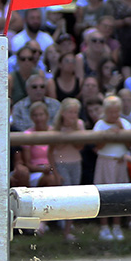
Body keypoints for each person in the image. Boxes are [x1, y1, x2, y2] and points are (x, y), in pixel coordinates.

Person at [93, 95, 131, 240]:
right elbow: (97, 146)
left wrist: (121, 131)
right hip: (105, 162)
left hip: (120, 163)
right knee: (104, 195)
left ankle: (117, 227)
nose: (113, 115)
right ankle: (104, 227)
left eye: (116, 112)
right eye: (110, 112)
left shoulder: (125, 123)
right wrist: (108, 135)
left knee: (119, 195)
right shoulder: (100, 125)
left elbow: (130, 145)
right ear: (105, 111)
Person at [49, 97, 86, 241]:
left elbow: (80, 147)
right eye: (70, 112)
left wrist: (74, 132)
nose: (73, 115)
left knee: (75, 195)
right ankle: (64, 228)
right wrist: (55, 172)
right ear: (63, 113)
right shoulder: (56, 128)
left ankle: (68, 229)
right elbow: (50, 152)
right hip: (61, 163)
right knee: (66, 194)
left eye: (76, 112)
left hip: (76, 162)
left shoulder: (80, 124)